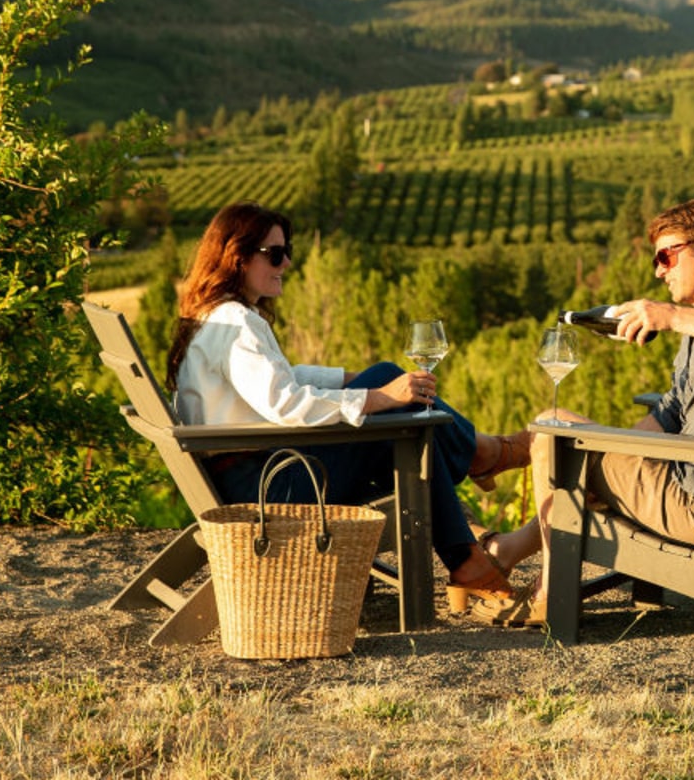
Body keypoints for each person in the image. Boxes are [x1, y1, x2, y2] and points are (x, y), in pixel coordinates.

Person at [167, 201, 530, 613]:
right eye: (274, 253)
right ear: (238, 256)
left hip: (256, 475)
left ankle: (469, 534)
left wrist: (352, 381)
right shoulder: (237, 322)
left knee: (383, 379)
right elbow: (285, 403)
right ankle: (479, 469)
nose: (286, 262)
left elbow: (276, 377)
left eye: (288, 251)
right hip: (271, 487)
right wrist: (378, 397)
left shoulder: (215, 317)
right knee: (396, 415)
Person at [473, 198, 694, 626]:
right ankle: (508, 546)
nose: (659, 270)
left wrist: (672, 316)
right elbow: (669, 416)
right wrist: (603, 456)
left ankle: (550, 591)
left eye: (666, 256)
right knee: (560, 430)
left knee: (554, 438)